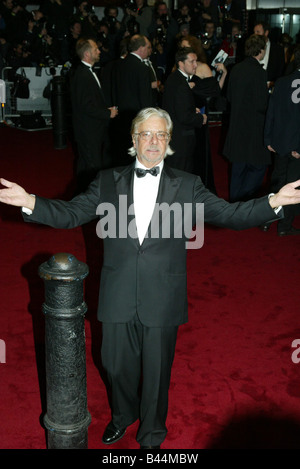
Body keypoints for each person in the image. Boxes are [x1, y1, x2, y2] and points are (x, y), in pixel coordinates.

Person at [1, 107, 300, 449]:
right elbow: (71, 213)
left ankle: (153, 432)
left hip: (163, 293)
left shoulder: (187, 185)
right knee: (113, 365)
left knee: (157, 374)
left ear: (169, 141)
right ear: (134, 139)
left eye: (161, 135)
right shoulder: (107, 181)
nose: (154, 141)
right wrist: (30, 202)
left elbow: (229, 214)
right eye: (146, 134)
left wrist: (274, 201)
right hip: (117, 291)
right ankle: (123, 415)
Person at [223, 34, 271, 202]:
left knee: (238, 166)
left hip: (236, 124)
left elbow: (228, 96)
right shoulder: (259, 72)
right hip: (254, 127)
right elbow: (261, 103)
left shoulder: (236, 69)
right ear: (261, 50)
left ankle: (235, 202)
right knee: (258, 167)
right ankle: (245, 200)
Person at [70, 38, 118, 192]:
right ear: (87, 54)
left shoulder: (86, 72)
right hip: (88, 131)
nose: (99, 51)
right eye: (96, 49)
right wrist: (107, 113)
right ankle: (89, 199)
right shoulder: (83, 75)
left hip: (90, 129)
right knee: (92, 165)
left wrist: (105, 108)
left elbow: (90, 101)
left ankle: (81, 194)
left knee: (86, 163)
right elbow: (85, 107)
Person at [262, 45, 300, 236]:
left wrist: (268, 138)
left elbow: (272, 112)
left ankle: (267, 220)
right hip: (297, 146)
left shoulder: (282, 81)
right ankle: (284, 227)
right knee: (294, 186)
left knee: (277, 182)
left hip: (280, 143)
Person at [110, 34, 154, 165]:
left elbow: (113, 90)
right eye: (147, 47)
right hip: (137, 117)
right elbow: (145, 98)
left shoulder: (118, 65)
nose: (148, 50)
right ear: (140, 48)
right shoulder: (142, 68)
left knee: (122, 150)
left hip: (120, 116)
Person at [162, 47, 207, 173]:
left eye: (196, 61)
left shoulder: (174, 78)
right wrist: (201, 118)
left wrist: (192, 108)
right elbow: (184, 117)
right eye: (191, 62)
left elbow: (176, 106)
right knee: (180, 176)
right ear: (181, 63)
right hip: (181, 140)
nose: (195, 65)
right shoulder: (181, 83)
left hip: (174, 137)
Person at [253, 21, 285, 89]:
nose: (255, 35)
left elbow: (281, 71)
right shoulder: (250, 47)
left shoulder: (278, 50)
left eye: (258, 32)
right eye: (254, 32)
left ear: (266, 33)